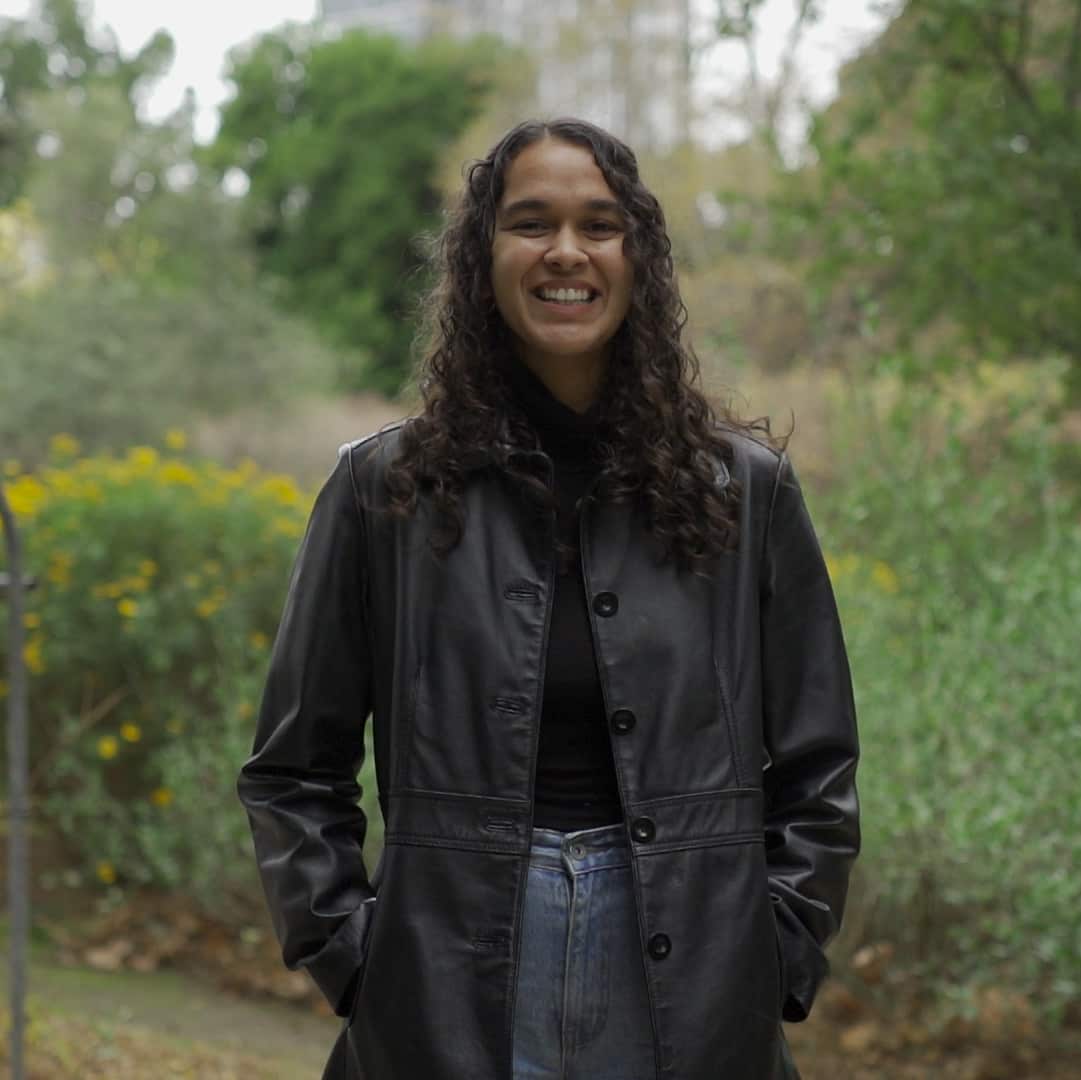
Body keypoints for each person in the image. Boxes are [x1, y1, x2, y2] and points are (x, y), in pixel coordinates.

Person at [236, 117, 860, 1080]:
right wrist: (355, 959)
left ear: (636, 257)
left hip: (692, 982)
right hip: (446, 978)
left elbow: (818, 765)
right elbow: (292, 770)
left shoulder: (746, 492)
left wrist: (774, 951)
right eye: (530, 223)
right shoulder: (382, 491)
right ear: (482, 258)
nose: (565, 251)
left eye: (597, 225)